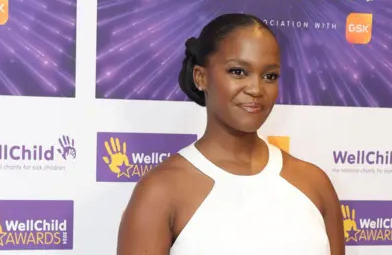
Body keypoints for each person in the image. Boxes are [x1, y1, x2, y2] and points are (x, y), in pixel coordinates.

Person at [117, 13, 345, 255]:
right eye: (238, 72)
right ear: (200, 77)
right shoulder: (160, 191)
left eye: (270, 76)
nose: (256, 89)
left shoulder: (315, 184)